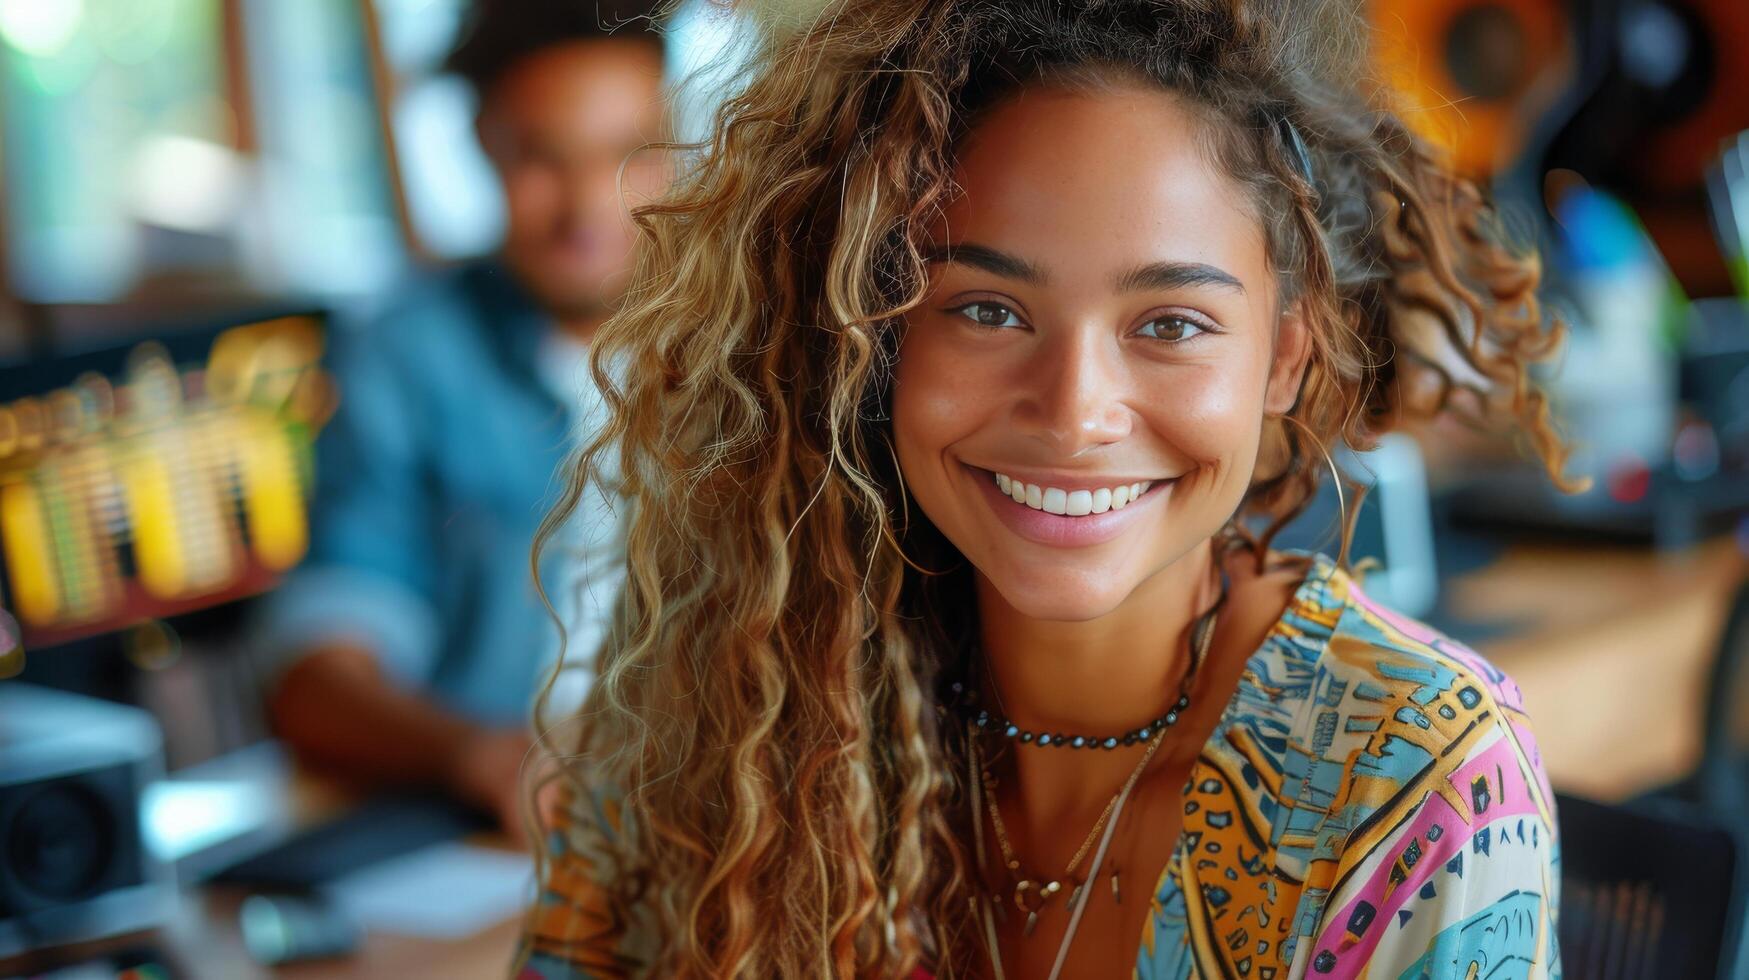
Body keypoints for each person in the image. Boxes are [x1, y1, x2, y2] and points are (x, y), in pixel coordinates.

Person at [515, 0, 1576, 975]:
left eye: (1169, 325)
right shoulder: (719, 689)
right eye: (987, 309)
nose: (1075, 412)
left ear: (1286, 356)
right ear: (874, 336)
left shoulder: (1410, 771)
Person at [254, 0, 671, 845]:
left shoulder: (758, 346)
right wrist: (483, 757)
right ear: (483, 146)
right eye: (540, 159)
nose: (588, 207)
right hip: (504, 841)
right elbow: (313, 676)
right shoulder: (407, 357)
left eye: (629, 155)